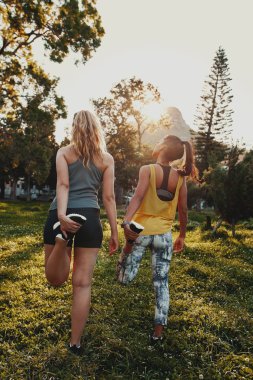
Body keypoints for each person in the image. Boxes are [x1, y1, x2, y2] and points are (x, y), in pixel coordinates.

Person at [43, 110, 118, 354]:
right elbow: (108, 197)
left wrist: (63, 217)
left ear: (74, 127)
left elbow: (63, 185)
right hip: (90, 218)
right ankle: (75, 343)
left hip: (60, 214)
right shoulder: (106, 159)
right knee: (82, 284)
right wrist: (115, 232)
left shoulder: (64, 152)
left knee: (55, 279)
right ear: (97, 128)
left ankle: (62, 241)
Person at [117, 134, 197, 343]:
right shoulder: (180, 178)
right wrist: (182, 235)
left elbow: (138, 197)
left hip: (141, 232)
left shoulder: (147, 170)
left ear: (161, 147)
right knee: (161, 283)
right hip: (164, 237)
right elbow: (184, 209)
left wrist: (126, 222)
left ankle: (125, 252)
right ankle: (158, 333)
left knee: (124, 277)